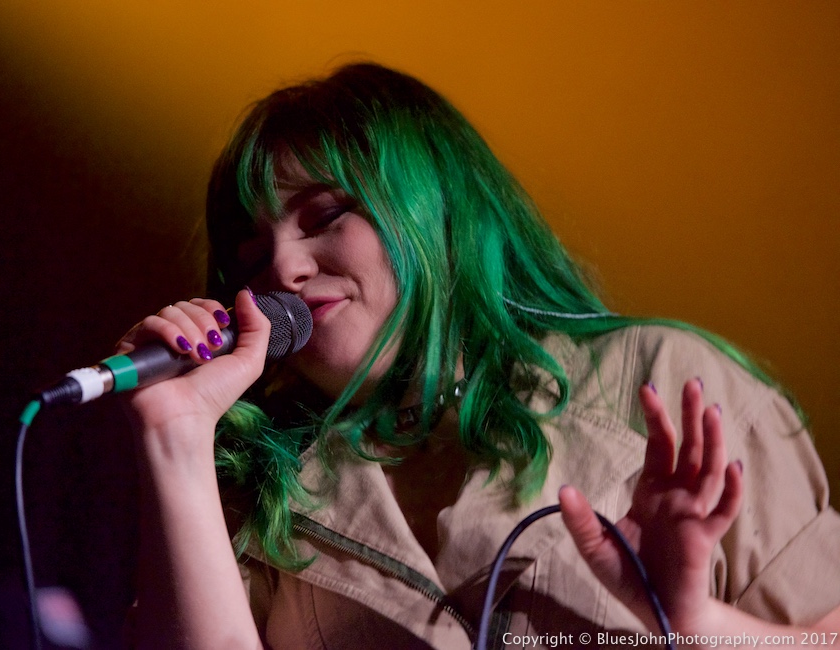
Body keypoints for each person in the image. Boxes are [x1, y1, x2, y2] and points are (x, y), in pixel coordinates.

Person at [119, 63, 840, 648]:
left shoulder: (656, 381)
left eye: (327, 215)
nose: (284, 268)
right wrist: (174, 437)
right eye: (252, 252)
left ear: (439, 213)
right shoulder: (253, 489)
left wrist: (697, 627)